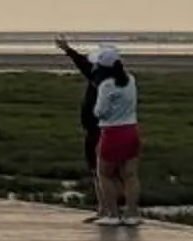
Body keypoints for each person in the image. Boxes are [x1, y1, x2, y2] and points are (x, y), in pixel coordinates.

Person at [90, 51, 144, 227]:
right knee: (130, 175)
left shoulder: (106, 86)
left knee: (104, 174)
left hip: (112, 133)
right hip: (131, 131)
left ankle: (113, 214)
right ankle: (132, 213)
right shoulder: (131, 80)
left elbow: (99, 111)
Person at [58, 37, 109, 204]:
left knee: (102, 171)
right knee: (100, 171)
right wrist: (68, 49)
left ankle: (108, 207)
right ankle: (105, 207)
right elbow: (83, 63)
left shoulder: (104, 79)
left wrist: (68, 50)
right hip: (97, 131)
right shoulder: (103, 76)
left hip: (100, 131)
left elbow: (83, 64)